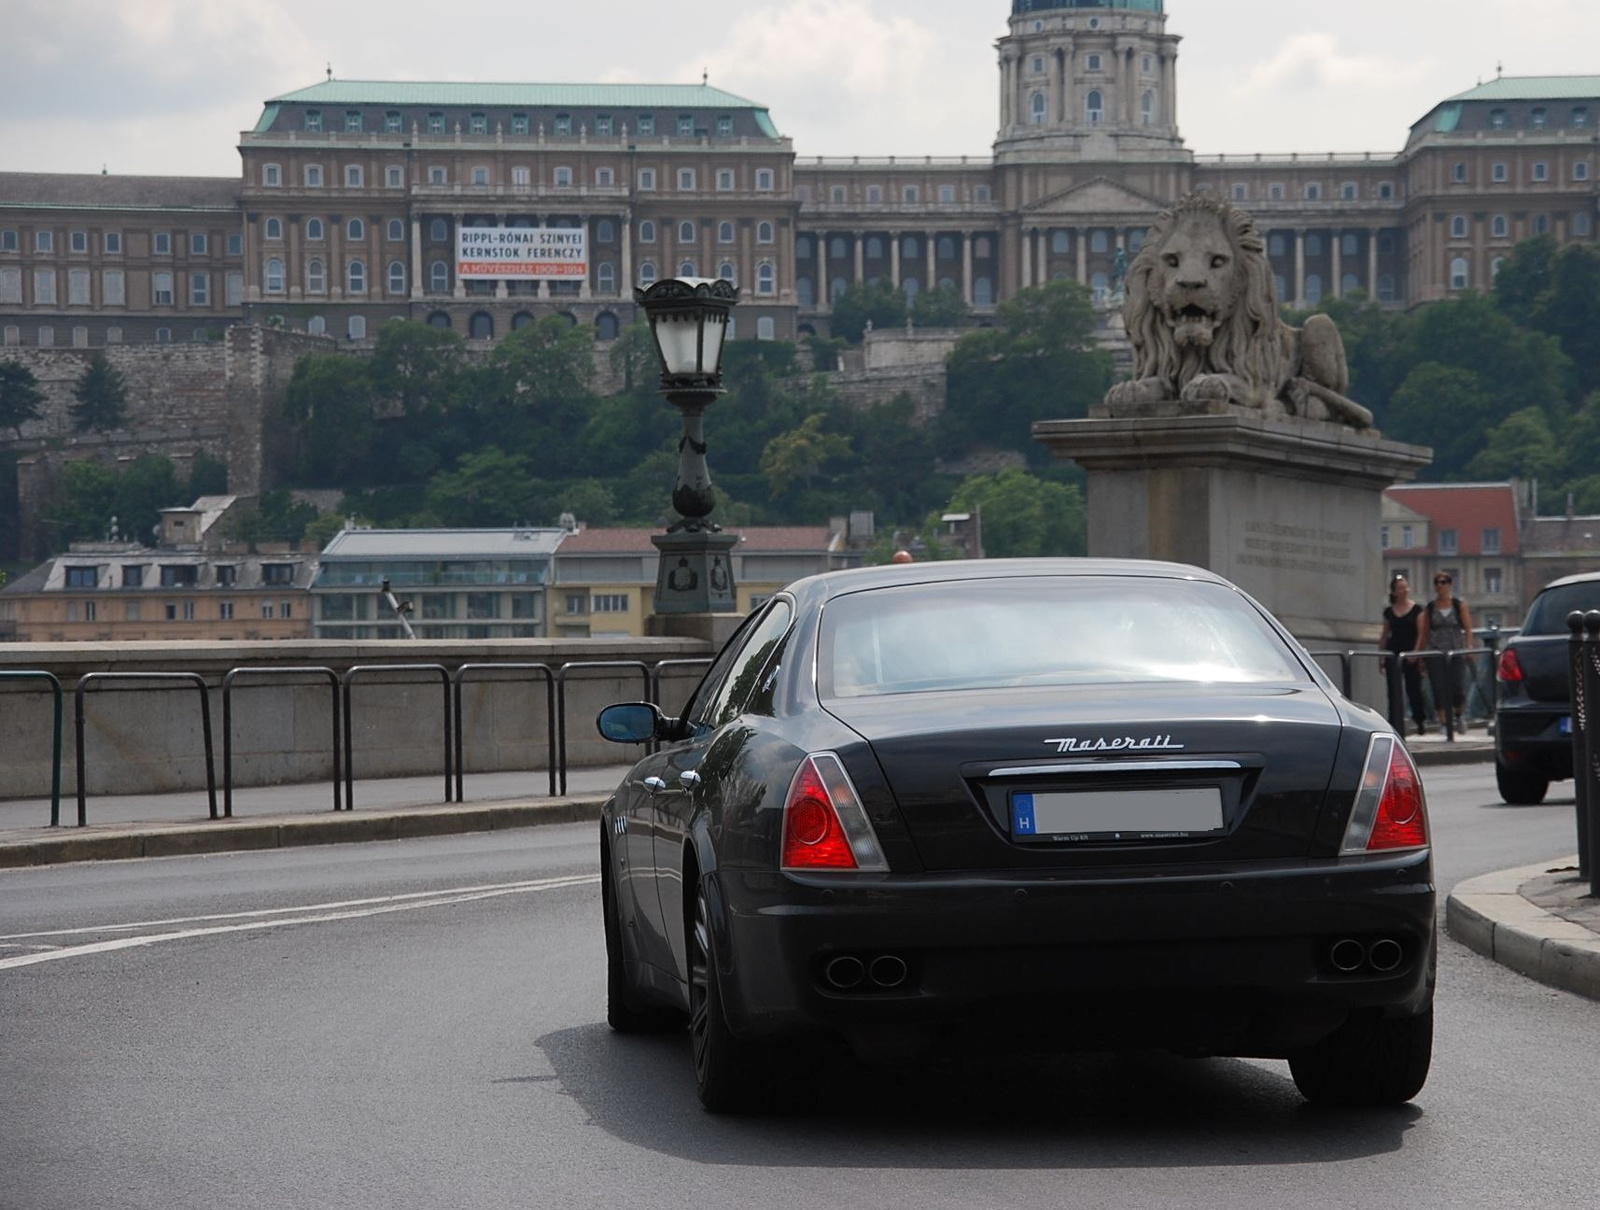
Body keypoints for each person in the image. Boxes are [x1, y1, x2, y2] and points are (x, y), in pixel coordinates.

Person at [1418, 572, 1474, 734]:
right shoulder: (1430, 608)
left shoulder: (1458, 605)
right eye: (1437, 583)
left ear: (1449, 584)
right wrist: (1421, 655)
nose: (1439, 586)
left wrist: (1469, 646)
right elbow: (1425, 633)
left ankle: (1460, 715)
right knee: (1438, 687)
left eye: (1443, 582)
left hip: (1456, 649)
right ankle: (1443, 723)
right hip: (1435, 651)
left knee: (1457, 685)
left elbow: (1468, 628)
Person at [1379, 574, 1427, 736]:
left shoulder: (1417, 609)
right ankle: (1394, 722)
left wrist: (1416, 652)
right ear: (1394, 592)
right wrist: (1381, 657)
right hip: (1393, 653)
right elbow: (1385, 635)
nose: (1404, 590)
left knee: (1414, 689)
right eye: (1400, 588)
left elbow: (1421, 634)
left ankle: (1419, 720)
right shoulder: (1389, 612)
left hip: (1410, 653)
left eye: (1406, 587)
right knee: (1393, 689)